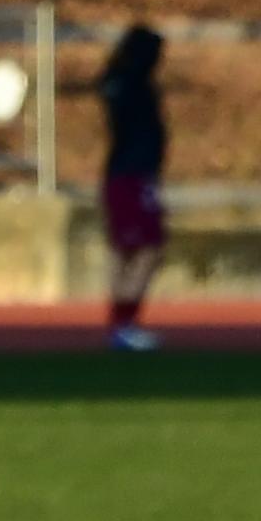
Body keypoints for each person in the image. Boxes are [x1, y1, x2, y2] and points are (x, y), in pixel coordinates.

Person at [97, 20, 169, 353]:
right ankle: (123, 324)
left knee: (125, 250)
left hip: (123, 173)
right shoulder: (134, 85)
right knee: (147, 248)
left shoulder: (115, 81)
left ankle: (121, 323)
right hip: (134, 174)